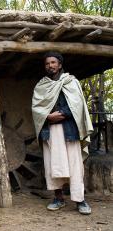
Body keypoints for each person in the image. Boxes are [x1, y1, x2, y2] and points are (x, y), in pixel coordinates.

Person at [32, 51, 93, 215]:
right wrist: (47, 116)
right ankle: (58, 198)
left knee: (74, 165)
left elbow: (78, 104)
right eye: (47, 63)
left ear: (59, 64)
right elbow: (37, 109)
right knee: (53, 165)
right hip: (50, 130)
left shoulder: (71, 82)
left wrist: (63, 113)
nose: (50, 66)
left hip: (69, 130)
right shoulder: (41, 85)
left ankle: (80, 200)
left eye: (53, 62)